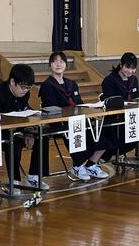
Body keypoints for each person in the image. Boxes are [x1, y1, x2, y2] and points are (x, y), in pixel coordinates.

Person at [38, 51, 109, 181]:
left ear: (66, 64)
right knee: (76, 129)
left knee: (103, 132)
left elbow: (79, 103)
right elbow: (50, 108)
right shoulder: (47, 86)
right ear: (50, 65)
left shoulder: (71, 84)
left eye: (61, 61)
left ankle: (91, 164)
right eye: (54, 61)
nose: (58, 64)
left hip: (78, 119)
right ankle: (78, 166)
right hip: (60, 122)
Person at [0, 64, 46, 189]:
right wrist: (20, 134)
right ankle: (14, 182)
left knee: (41, 137)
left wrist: (28, 132)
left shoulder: (24, 94)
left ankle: (34, 176)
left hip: (15, 130)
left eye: (29, 87)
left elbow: (23, 115)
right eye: (23, 87)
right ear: (12, 82)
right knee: (14, 142)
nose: (25, 90)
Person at [100, 52, 139, 163]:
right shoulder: (109, 80)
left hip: (133, 116)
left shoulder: (134, 80)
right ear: (121, 65)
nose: (130, 71)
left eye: (133, 68)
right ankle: (114, 154)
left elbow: (136, 99)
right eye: (127, 67)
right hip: (118, 118)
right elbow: (110, 103)